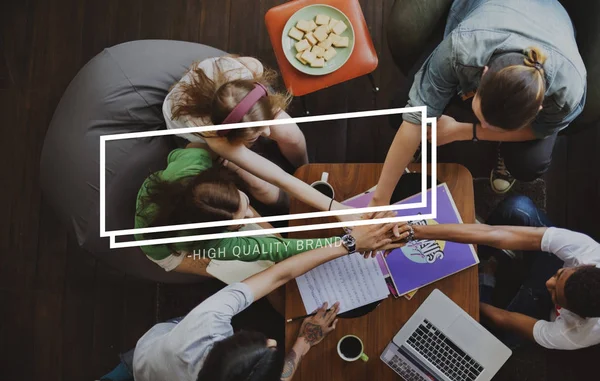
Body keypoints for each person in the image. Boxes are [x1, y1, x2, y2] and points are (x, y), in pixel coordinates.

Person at [98, 218, 411, 381]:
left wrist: (350, 242)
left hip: (147, 359)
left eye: (264, 345)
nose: (274, 343)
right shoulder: (209, 325)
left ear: (222, 344)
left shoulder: (204, 324)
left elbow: (279, 274)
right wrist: (303, 343)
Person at [375, 0, 586, 200]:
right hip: (483, 19)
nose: (484, 125)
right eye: (482, 117)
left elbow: (541, 129)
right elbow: (415, 116)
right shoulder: (462, 48)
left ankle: (503, 147)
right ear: (483, 74)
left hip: (551, 25)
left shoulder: (566, 95)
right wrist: (379, 200)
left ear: (538, 108)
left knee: (530, 164)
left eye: (497, 128)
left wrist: (465, 131)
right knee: (400, 109)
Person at [403, 195, 600, 350]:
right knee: (517, 207)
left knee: (489, 337)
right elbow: (496, 233)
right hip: (556, 262)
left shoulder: (575, 333)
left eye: (556, 294)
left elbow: (504, 319)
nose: (548, 282)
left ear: (577, 315)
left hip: (543, 310)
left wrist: (461, 299)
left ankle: (486, 279)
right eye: (558, 275)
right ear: (585, 266)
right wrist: (415, 232)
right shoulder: (588, 252)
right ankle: (481, 255)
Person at [164, 55, 352, 215]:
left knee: (290, 133)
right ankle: (289, 207)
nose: (268, 133)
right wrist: (336, 208)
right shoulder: (214, 136)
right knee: (260, 185)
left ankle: (306, 167)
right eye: (255, 136)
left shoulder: (248, 69)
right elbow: (279, 178)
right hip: (199, 134)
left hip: (238, 101)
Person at [135, 145, 347, 276]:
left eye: (243, 205)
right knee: (259, 271)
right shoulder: (213, 245)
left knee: (274, 238)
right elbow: (279, 250)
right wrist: (347, 242)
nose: (249, 216)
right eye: (240, 220)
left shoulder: (193, 162)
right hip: (166, 249)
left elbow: (191, 149)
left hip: (193, 217)